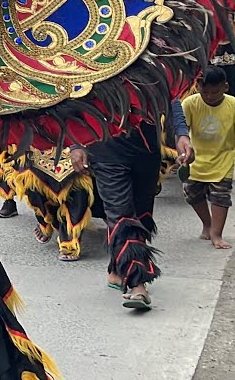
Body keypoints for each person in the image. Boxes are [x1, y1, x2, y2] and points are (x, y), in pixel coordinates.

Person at [71, 100, 193, 311]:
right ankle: (137, 284)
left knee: (142, 213)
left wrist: (181, 134)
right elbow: (75, 94)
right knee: (121, 214)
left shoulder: (153, 65)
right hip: (104, 148)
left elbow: (171, 97)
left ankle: (117, 271)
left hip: (146, 149)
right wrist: (75, 144)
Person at [181, 67, 235, 249]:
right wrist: (181, 153)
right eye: (206, 92)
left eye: (215, 92)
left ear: (225, 87)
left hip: (224, 157)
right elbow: (180, 132)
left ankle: (216, 234)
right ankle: (207, 223)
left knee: (220, 196)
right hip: (196, 158)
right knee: (191, 192)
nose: (210, 96)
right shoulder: (189, 104)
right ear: (198, 88)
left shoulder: (233, 105)